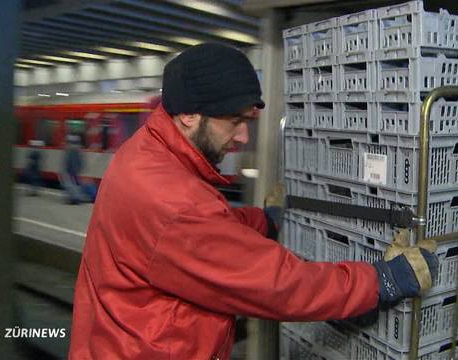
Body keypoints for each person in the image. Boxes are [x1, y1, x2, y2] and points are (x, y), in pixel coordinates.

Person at [69, 43, 438, 360]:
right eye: (234, 120)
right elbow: (278, 284)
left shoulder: (146, 155)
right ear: (188, 114)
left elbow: (208, 230)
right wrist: (382, 280)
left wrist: (265, 221)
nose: (243, 137)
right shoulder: (171, 200)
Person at [62, 134, 86, 204]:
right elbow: (81, 161)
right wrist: (80, 168)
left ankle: (73, 199)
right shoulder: (79, 150)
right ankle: (77, 198)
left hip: (71, 171)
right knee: (77, 185)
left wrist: (66, 169)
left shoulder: (70, 150)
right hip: (76, 170)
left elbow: (68, 161)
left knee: (71, 185)